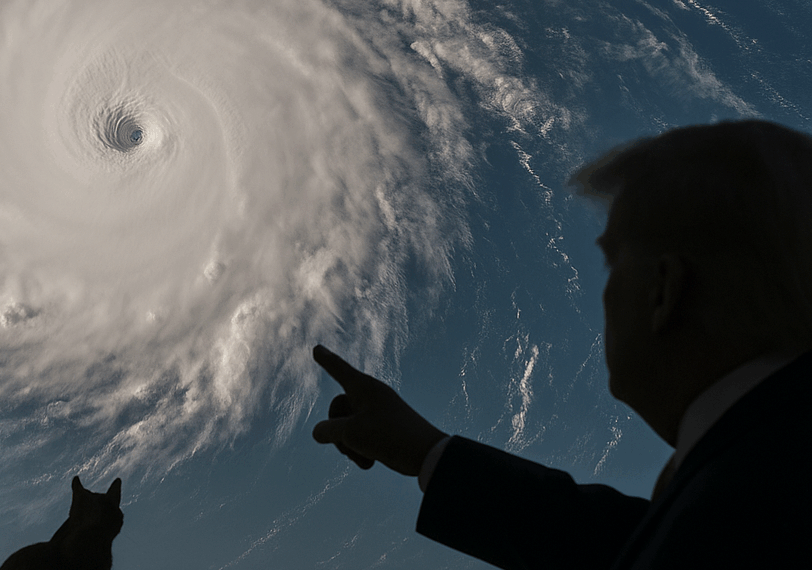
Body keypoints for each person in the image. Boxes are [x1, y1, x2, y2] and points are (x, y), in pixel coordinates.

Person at [311, 119, 812, 569]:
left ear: (665, 289)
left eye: (614, 261)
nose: (607, 292)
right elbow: (615, 543)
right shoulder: (754, 490)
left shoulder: (765, 499)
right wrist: (424, 452)